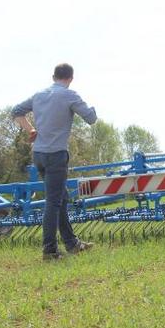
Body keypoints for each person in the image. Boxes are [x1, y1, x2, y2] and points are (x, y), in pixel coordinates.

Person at [13, 63, 98, 260]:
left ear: (53, 77)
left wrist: (30, 130)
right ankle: (49, 250)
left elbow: (16, 111)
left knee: (61, 197)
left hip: (39, 155)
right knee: (53, 202)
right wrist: (92, 109)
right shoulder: (70, 95)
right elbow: (91, 118)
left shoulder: (39, 95)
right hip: (56, 154)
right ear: (71, 78)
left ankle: (72, 243)